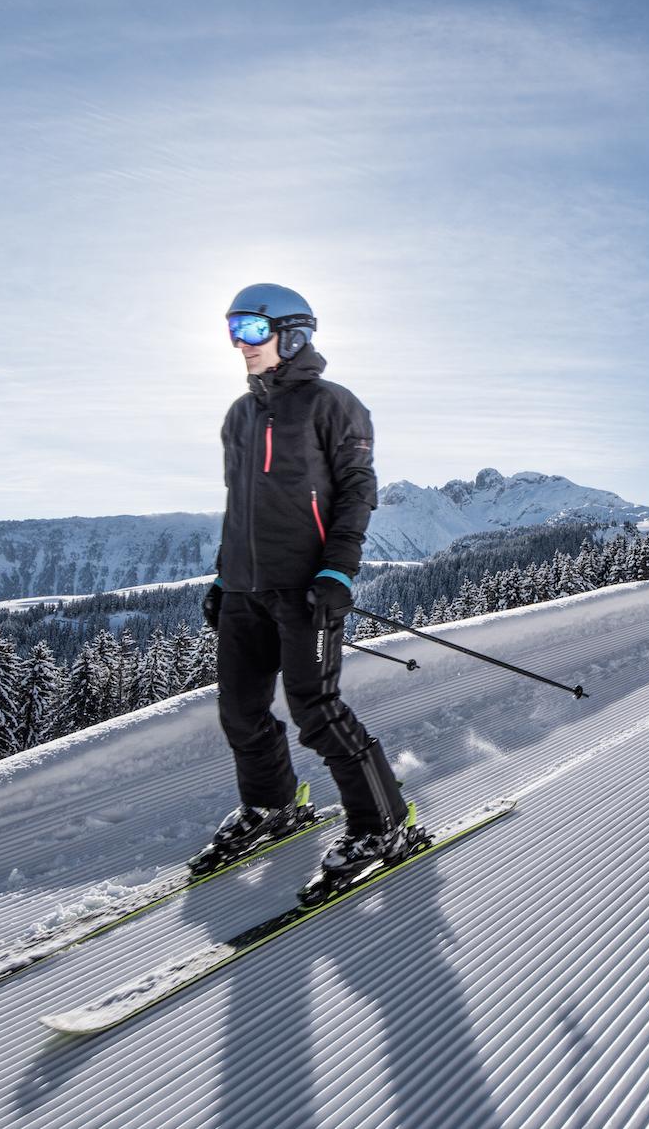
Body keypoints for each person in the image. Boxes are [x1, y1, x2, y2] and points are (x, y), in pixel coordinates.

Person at [193, 283, 422, 903]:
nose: (238, 344)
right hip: (245, 589)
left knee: (316, 713)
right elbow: (240, 507)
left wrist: (338, 572)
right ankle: (272, 806)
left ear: (291, 333)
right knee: (239, 713)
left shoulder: (334, 406)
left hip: (305, 590)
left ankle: (385, 823)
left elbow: (356, 493)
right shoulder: (239, 415)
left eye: (250, 329)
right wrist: (222, 576)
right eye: (231, 329)